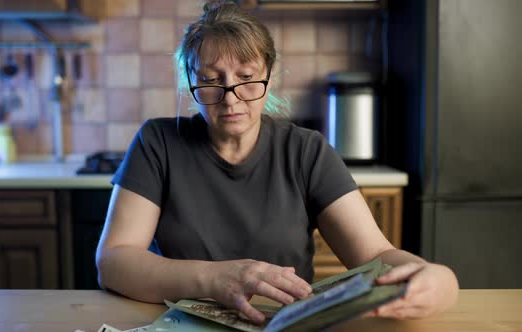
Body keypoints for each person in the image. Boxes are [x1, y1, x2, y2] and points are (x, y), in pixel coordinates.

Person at [96, 0, 459, 324]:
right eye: (210, 80)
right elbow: (114, 261)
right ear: (189, 79)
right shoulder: (157, 142)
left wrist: (438, 277)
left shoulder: (307, 152)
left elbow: (375, 253)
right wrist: (217, 279)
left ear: (269, 77)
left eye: (247, 78)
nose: (230, 99)